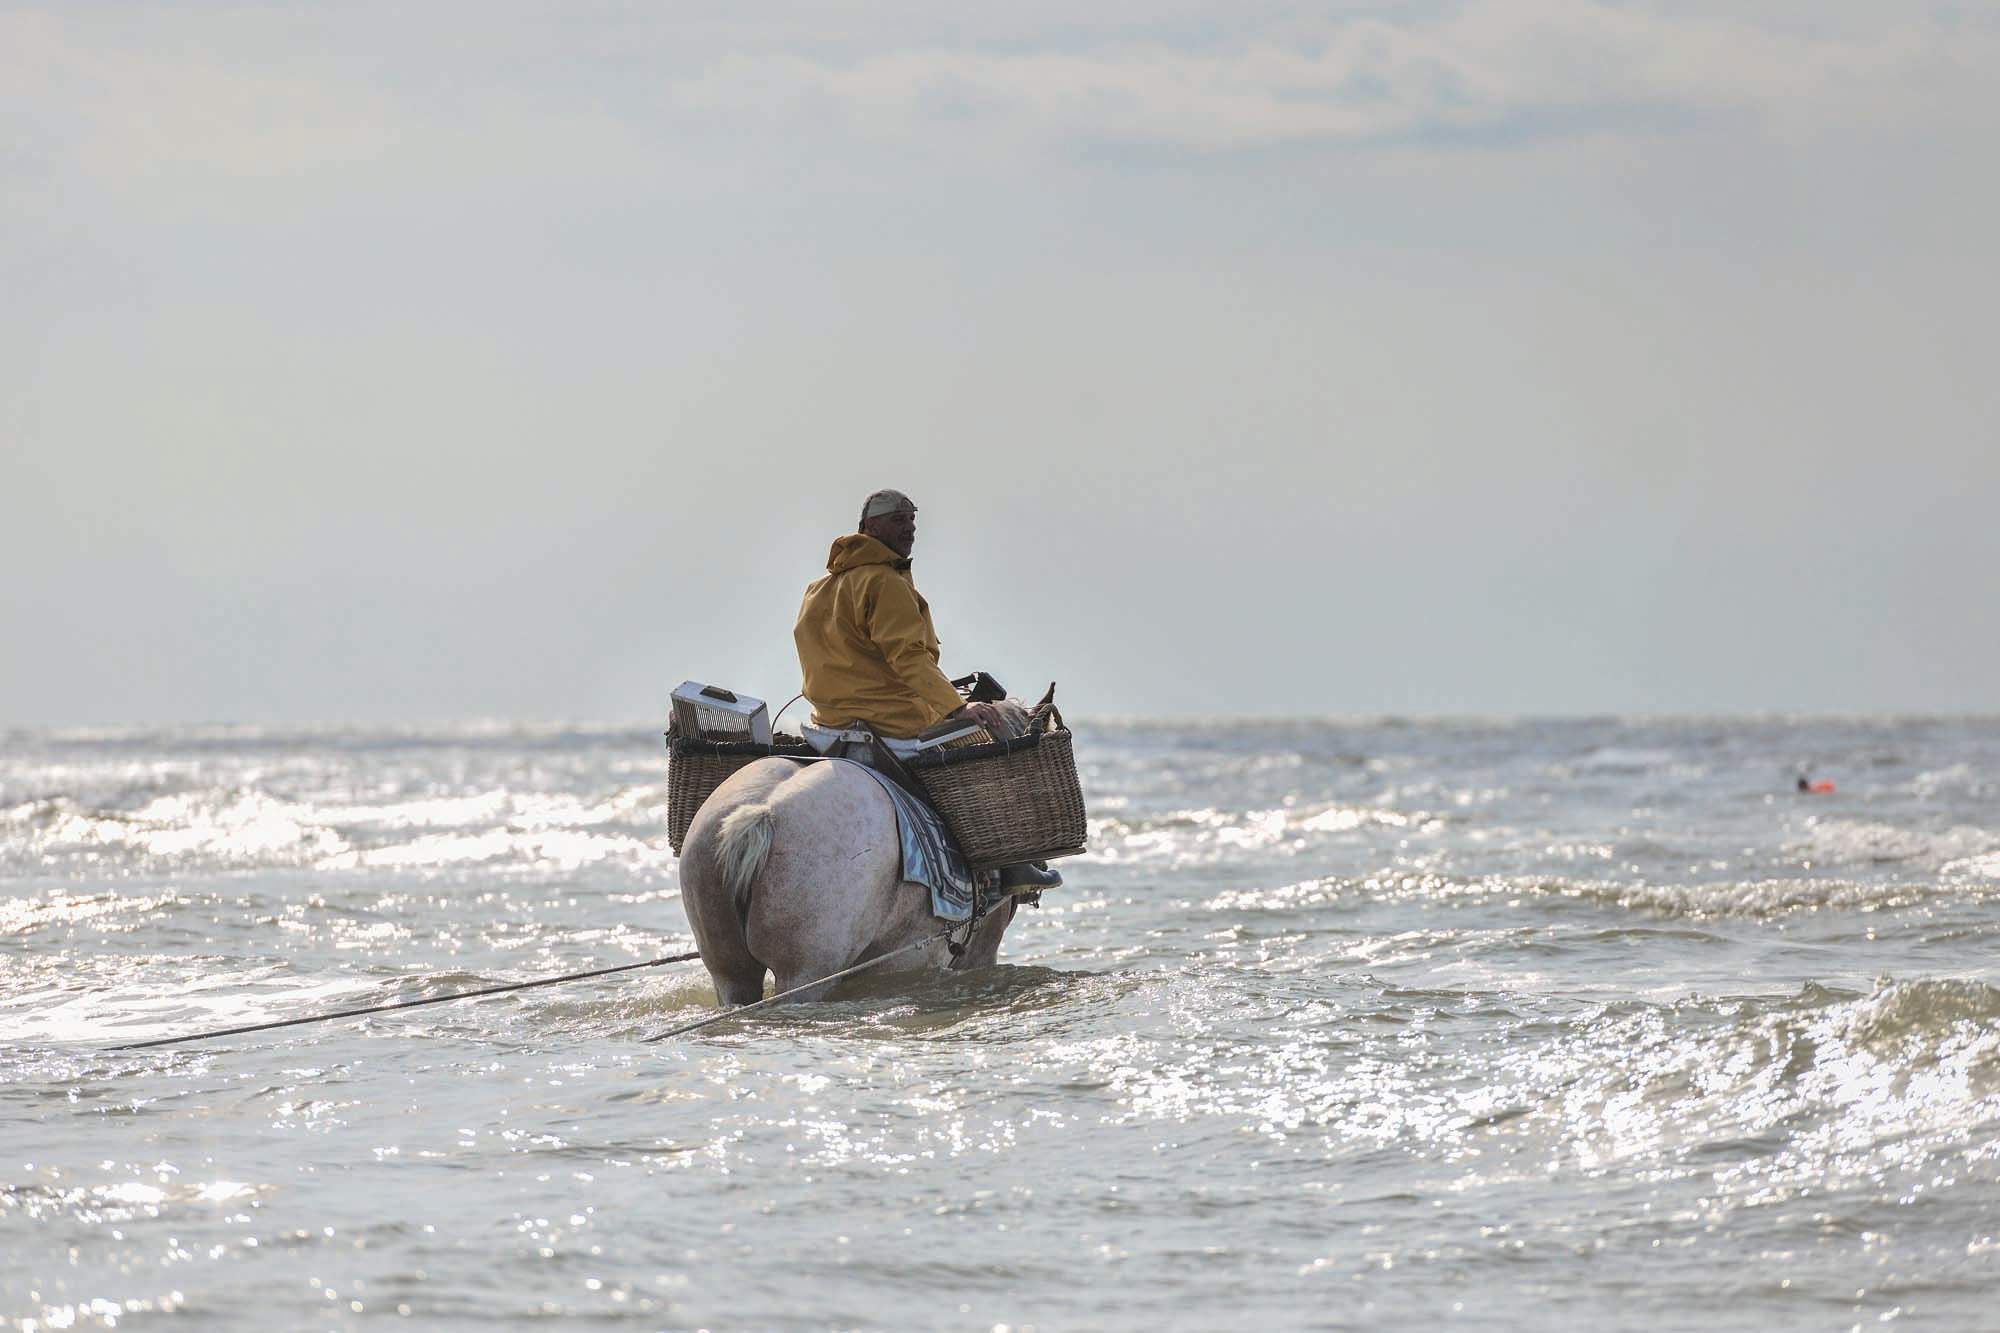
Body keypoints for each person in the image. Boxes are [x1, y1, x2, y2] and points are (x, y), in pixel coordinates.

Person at [794, 488, 1060, 890]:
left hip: (828, 725)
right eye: (898, 519)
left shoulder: (818, 590)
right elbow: (909, 657)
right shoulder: (884, 582)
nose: (910, 527)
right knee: (983, 759)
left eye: (913, 519)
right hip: (891, 724)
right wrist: (957, 709)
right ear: (869, 526)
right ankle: (1011, 866)